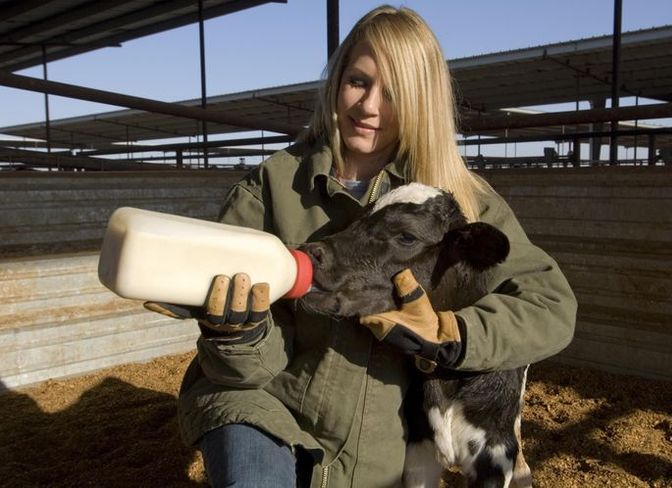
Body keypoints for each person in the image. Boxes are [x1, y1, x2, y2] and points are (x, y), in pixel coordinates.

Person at [146, 5, 577, 487]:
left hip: (379, 440)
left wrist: (451, 332)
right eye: (358, 81)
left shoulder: (457, 201)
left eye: (393, 92)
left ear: (422, 102)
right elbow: (244, 371)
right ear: (335, 83)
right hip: (262, 405)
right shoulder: (274, 186)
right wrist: (235, 335)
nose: (369, 105)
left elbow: (551, 308)